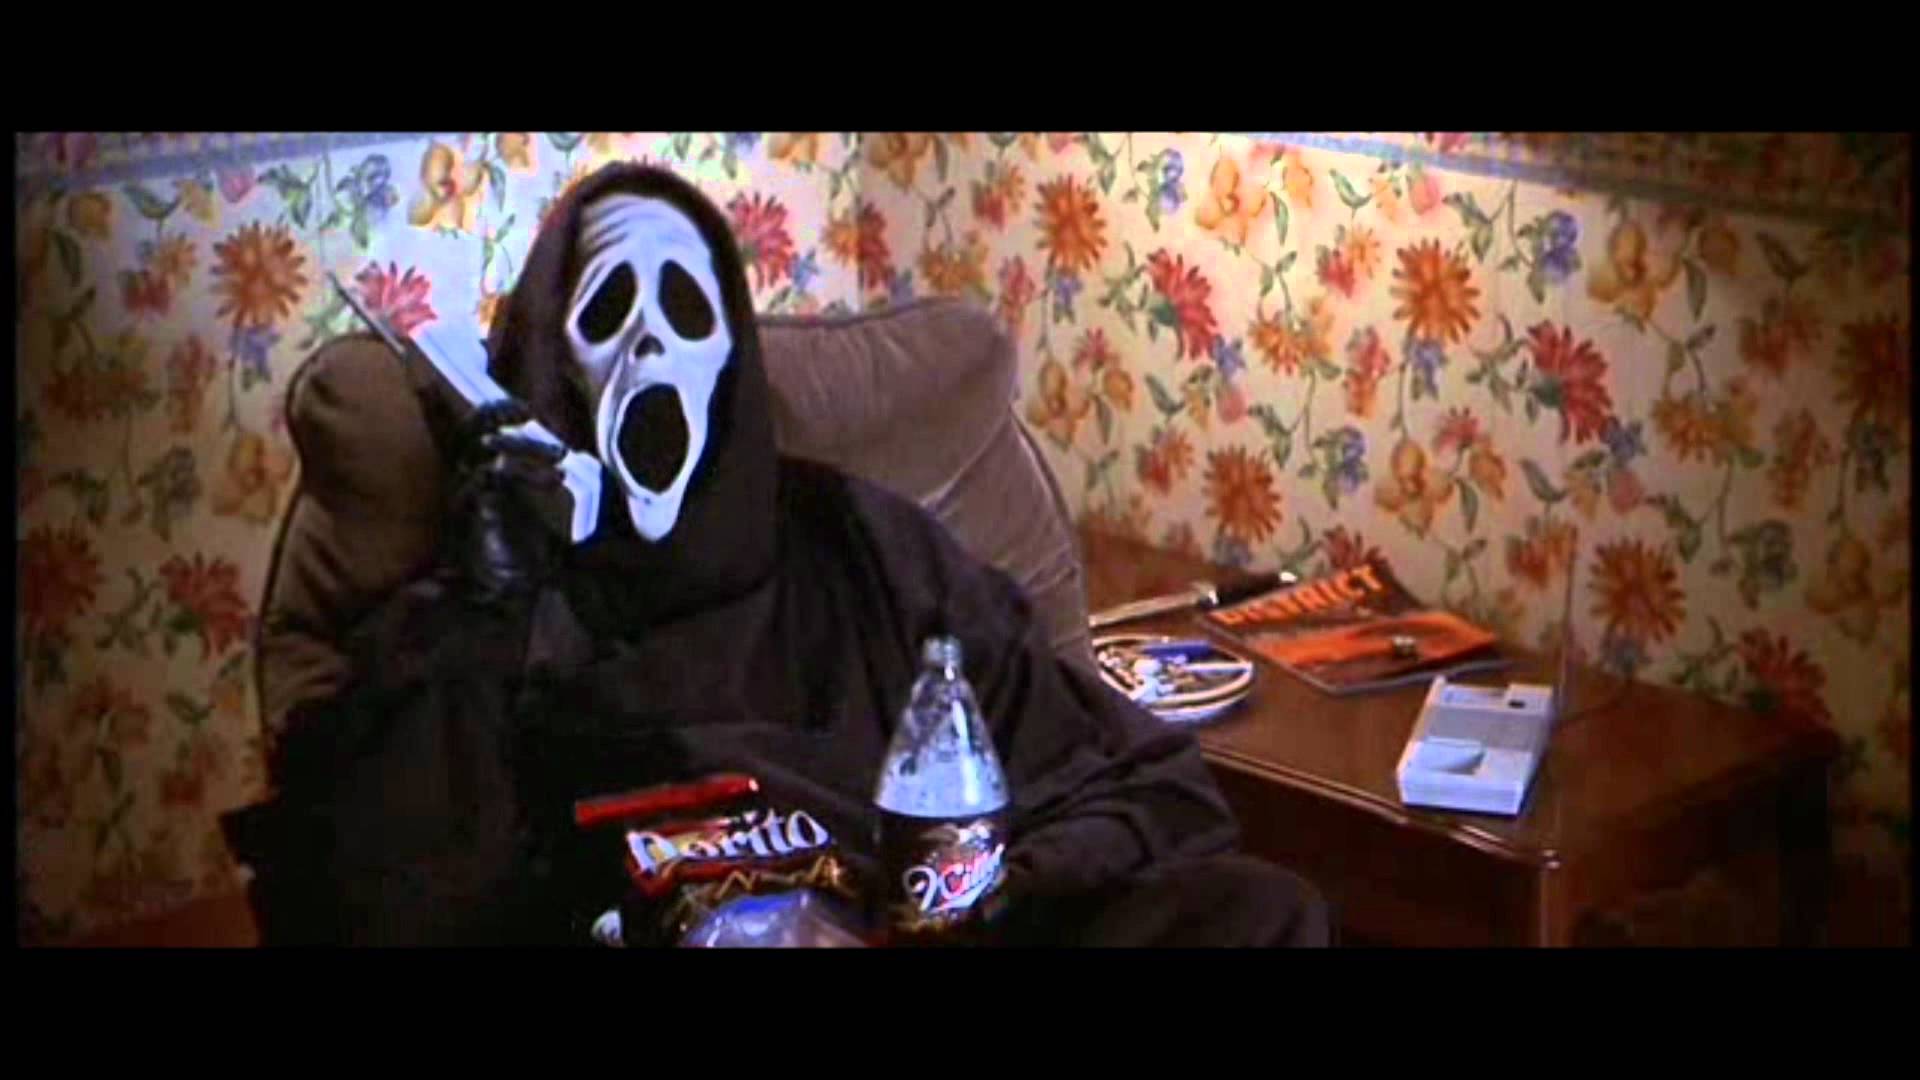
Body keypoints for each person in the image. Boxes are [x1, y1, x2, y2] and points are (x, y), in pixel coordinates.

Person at [223, 162, 1329, 948]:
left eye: (685, 310)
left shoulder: (861, 544)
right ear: (550, 362)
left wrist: (989, 889)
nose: (650, 342)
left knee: (1258, 909)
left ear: (731, 363)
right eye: (608, 310)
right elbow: (366, 908)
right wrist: (486, 603)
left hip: (921, 924)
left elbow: (1140, 782)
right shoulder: (488, 595)